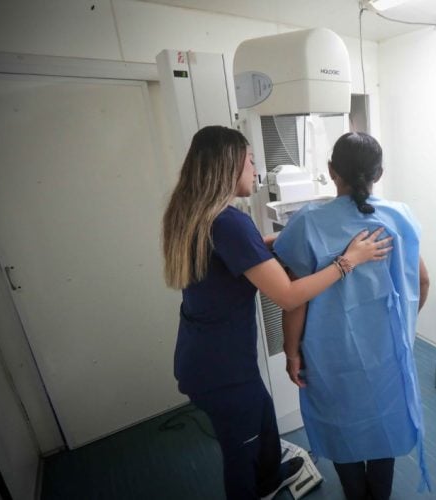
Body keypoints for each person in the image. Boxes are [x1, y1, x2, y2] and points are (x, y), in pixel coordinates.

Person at [161, 125, 391, 500]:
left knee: (264, 418)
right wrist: (348, 260)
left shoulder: (195, 213)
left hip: (202, 353)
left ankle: (270, 479)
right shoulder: (229, 222)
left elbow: (248, 252)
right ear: (229, 165)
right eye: (251, 161)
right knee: (241, 452)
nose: (256, 170)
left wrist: (297, 237)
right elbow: (287, 296)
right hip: (221, 369)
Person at [274, 132, 431, 500]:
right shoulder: (399, 217)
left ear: (332, 171)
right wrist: (403, 326)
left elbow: (295, 301)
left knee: (340, 425)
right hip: (387, 352)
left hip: (329, 354)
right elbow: (422, 281)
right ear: (379, 173)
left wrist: (291, 352)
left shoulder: (308, 222)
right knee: (383, 422)